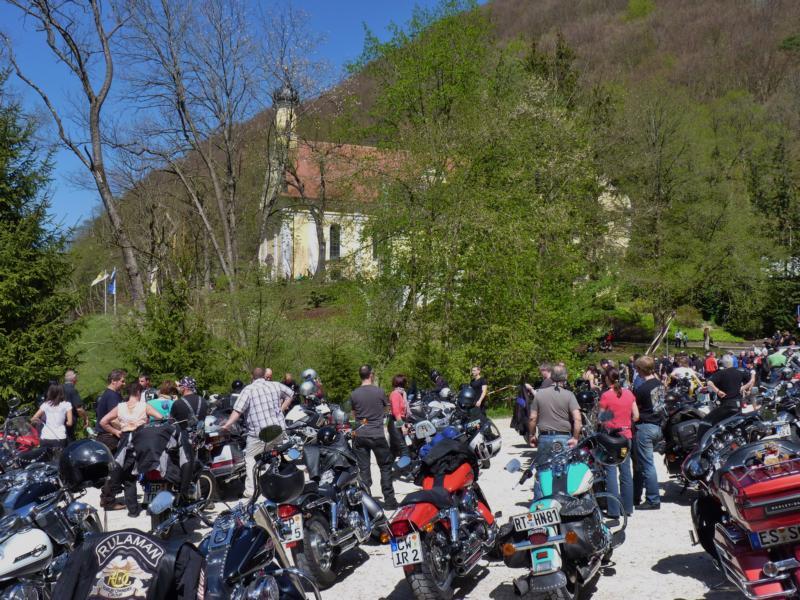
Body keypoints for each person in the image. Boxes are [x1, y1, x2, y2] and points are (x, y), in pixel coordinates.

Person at [222, 367, 293, 498]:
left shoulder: (248, 390)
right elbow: (290, 394)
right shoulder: (275, 385)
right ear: (264, 375)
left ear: (252, 376)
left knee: (251, 458)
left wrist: (226, 425)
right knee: (270, 456)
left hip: (260, 433)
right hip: (278, 429)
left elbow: (238, 411)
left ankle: (251, 490)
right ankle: (271, 483)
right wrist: (281, 409)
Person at [100, 383, 163, 516]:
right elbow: (160, 417)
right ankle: (148, 504)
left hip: (125, 441)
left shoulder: (120, 406)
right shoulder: (144, 406)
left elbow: (103, 422)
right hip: (141, 440)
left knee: (129, 476)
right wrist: (148, 424)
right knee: (146, 472)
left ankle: (133, 510)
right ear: (139, 392)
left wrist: (116, 431)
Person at [528, 365, 581, 499]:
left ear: (551, 376)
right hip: (564, 437)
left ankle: (540, 503)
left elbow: (532, 418)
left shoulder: (540, 394)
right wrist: (575, 437)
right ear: (565, 377)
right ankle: (563, 501)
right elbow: (577, 419)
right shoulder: (569, 395)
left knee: (542, 471)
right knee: (563, 471)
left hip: (545, 437)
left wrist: (532, 435)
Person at [350, 365, 397, 509]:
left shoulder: (354, 394)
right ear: (371, 375)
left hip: (360, 435)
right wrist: (382, 419)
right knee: (385, 467)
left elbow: (353, 416)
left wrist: (356, 429)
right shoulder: (379, 392)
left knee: (363, 469)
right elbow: (387, 410)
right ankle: (389, 501)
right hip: (377, 434)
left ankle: (366, 502)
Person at [599, 369, 638, 519]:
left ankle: (613, 509)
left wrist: (612, 419)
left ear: (607, 379)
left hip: (611, 438)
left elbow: (601, 418)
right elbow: (636, 416)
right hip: (626, 436)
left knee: (610, 471)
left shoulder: (606, 395)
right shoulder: (628, 393)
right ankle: (627, 507)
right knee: (626, 471)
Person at [632, 356, 664, 510]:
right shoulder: (659, 384)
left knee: (647, 464)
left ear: (640, 370)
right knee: (644, 463)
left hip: (645, 427)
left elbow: (635, 410)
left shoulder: (642, 389)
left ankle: (653, 499)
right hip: (658, 426)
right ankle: (637, 495)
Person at [96, 369, 127, 510]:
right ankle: (108, 501)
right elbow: (113, 419)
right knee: (114, 470)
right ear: (114, 381)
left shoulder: (109, 394)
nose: (124, 384)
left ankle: (106, 498)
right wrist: (126, 428)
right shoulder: (112, 396)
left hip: (106, 436)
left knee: (112, 469)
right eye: (122, 381)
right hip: (109, 437)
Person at [707, 354, 754, 424]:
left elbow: (709, 382)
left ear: (723, 363)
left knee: (725, 422)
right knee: (737, 422)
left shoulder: (720, 373)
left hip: (725, 402)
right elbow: (751, 380)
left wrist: (718, 391)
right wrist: (744, 387)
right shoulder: (739, 371)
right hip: (738, 402)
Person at [32, 384, 73, 451]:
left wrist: (41, 422)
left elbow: (33, 418)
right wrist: (66, 423)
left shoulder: (46, 404)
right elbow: (70, 423)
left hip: (45, 436)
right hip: (59, 436)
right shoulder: (67, 404)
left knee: (45, 456)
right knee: (59, 457)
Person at [388, 374, 410, 458]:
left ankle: (388, 465)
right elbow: (396, 412)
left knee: (394, 450)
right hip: (395, 423)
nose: (406, 384)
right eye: (405, 382)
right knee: (404, 449)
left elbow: (403, 412)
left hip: (398, 422)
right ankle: (406, 467)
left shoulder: (401, 394)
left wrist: (406, 424)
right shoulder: (395, 394)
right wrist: (402, 427)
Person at [63, 370, 86, 441]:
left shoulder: (59, 388)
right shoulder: (72, 390)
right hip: (70, 420)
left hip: (59, 419)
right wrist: (85, 418)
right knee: (70, 439)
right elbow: (79, 409)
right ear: (74, 379)